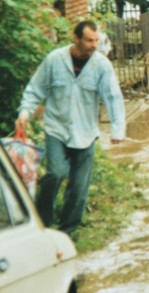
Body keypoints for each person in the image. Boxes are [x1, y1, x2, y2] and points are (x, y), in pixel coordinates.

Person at [16, 20, 125, 235]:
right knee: (55, 174)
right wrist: (24, 112)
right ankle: (42, 224)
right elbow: (35, 89)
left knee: (78, 187)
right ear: (76, 38)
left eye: (96, 40)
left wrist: (117, 129)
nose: (94, 45)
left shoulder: (101, 65)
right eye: (89, 40)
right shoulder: (55, 60)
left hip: (85, 132)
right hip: (56, 128)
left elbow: (113, 96)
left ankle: (67, 231)